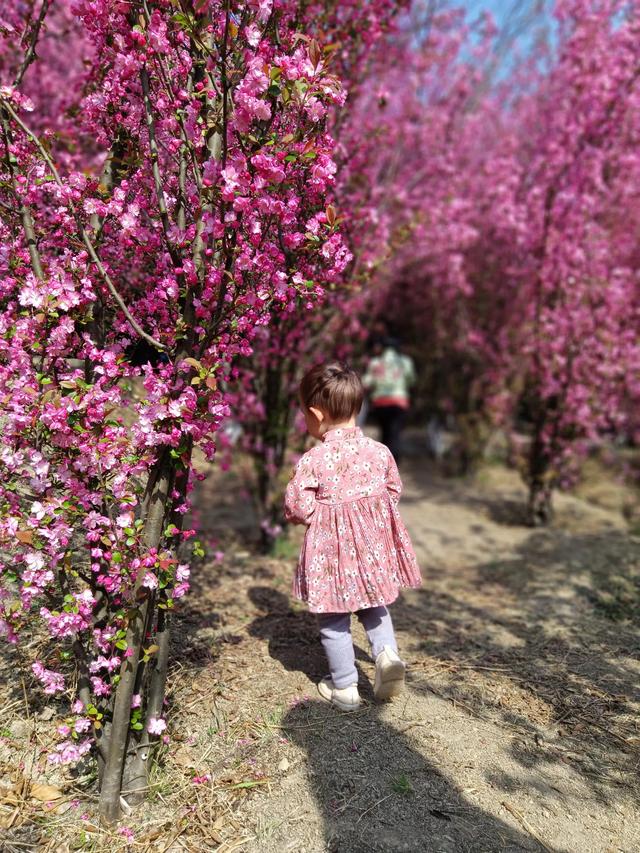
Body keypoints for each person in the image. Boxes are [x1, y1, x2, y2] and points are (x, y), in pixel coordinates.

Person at [284, 362, 422, 711]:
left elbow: (299, 506)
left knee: (333, 617)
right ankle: (387, 653)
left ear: (315, 413)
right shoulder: (379, 451)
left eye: (305, 414)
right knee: (374, 603)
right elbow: (393, 490)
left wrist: (320, 514)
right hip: (372, 548)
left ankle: (345, 687)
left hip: (331, 555)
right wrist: (370, 517)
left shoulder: (314, 459)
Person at [362, 338, 416, 462]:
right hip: (399, 402)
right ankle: (394, 461)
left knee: (385, 431)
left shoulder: (375, 362)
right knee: (395, 432)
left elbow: (368, 382)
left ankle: (384, 461)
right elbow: (411, 380)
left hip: (380, 403)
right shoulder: (406, 362)